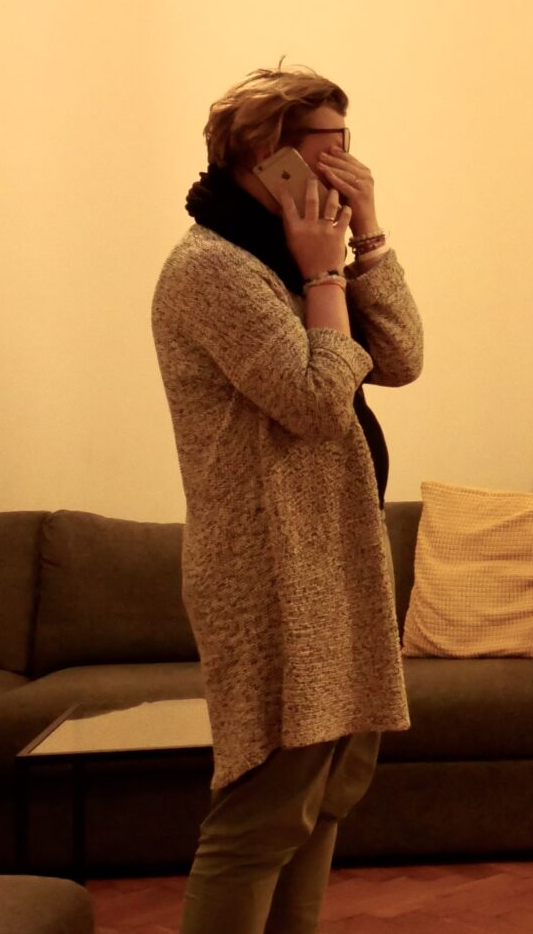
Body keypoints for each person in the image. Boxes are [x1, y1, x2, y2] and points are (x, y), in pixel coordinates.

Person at [151, 66, 422, 934]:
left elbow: (403, 357)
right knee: (265, 807)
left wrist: (366, 236)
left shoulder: (290, 256)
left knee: (323, 797)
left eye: (349, 145)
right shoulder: (212, 269)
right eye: (327, 149)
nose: (348, 167)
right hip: (270, 572)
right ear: (268, 158)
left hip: (335, 554)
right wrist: (323, 275)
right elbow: (315, 399)